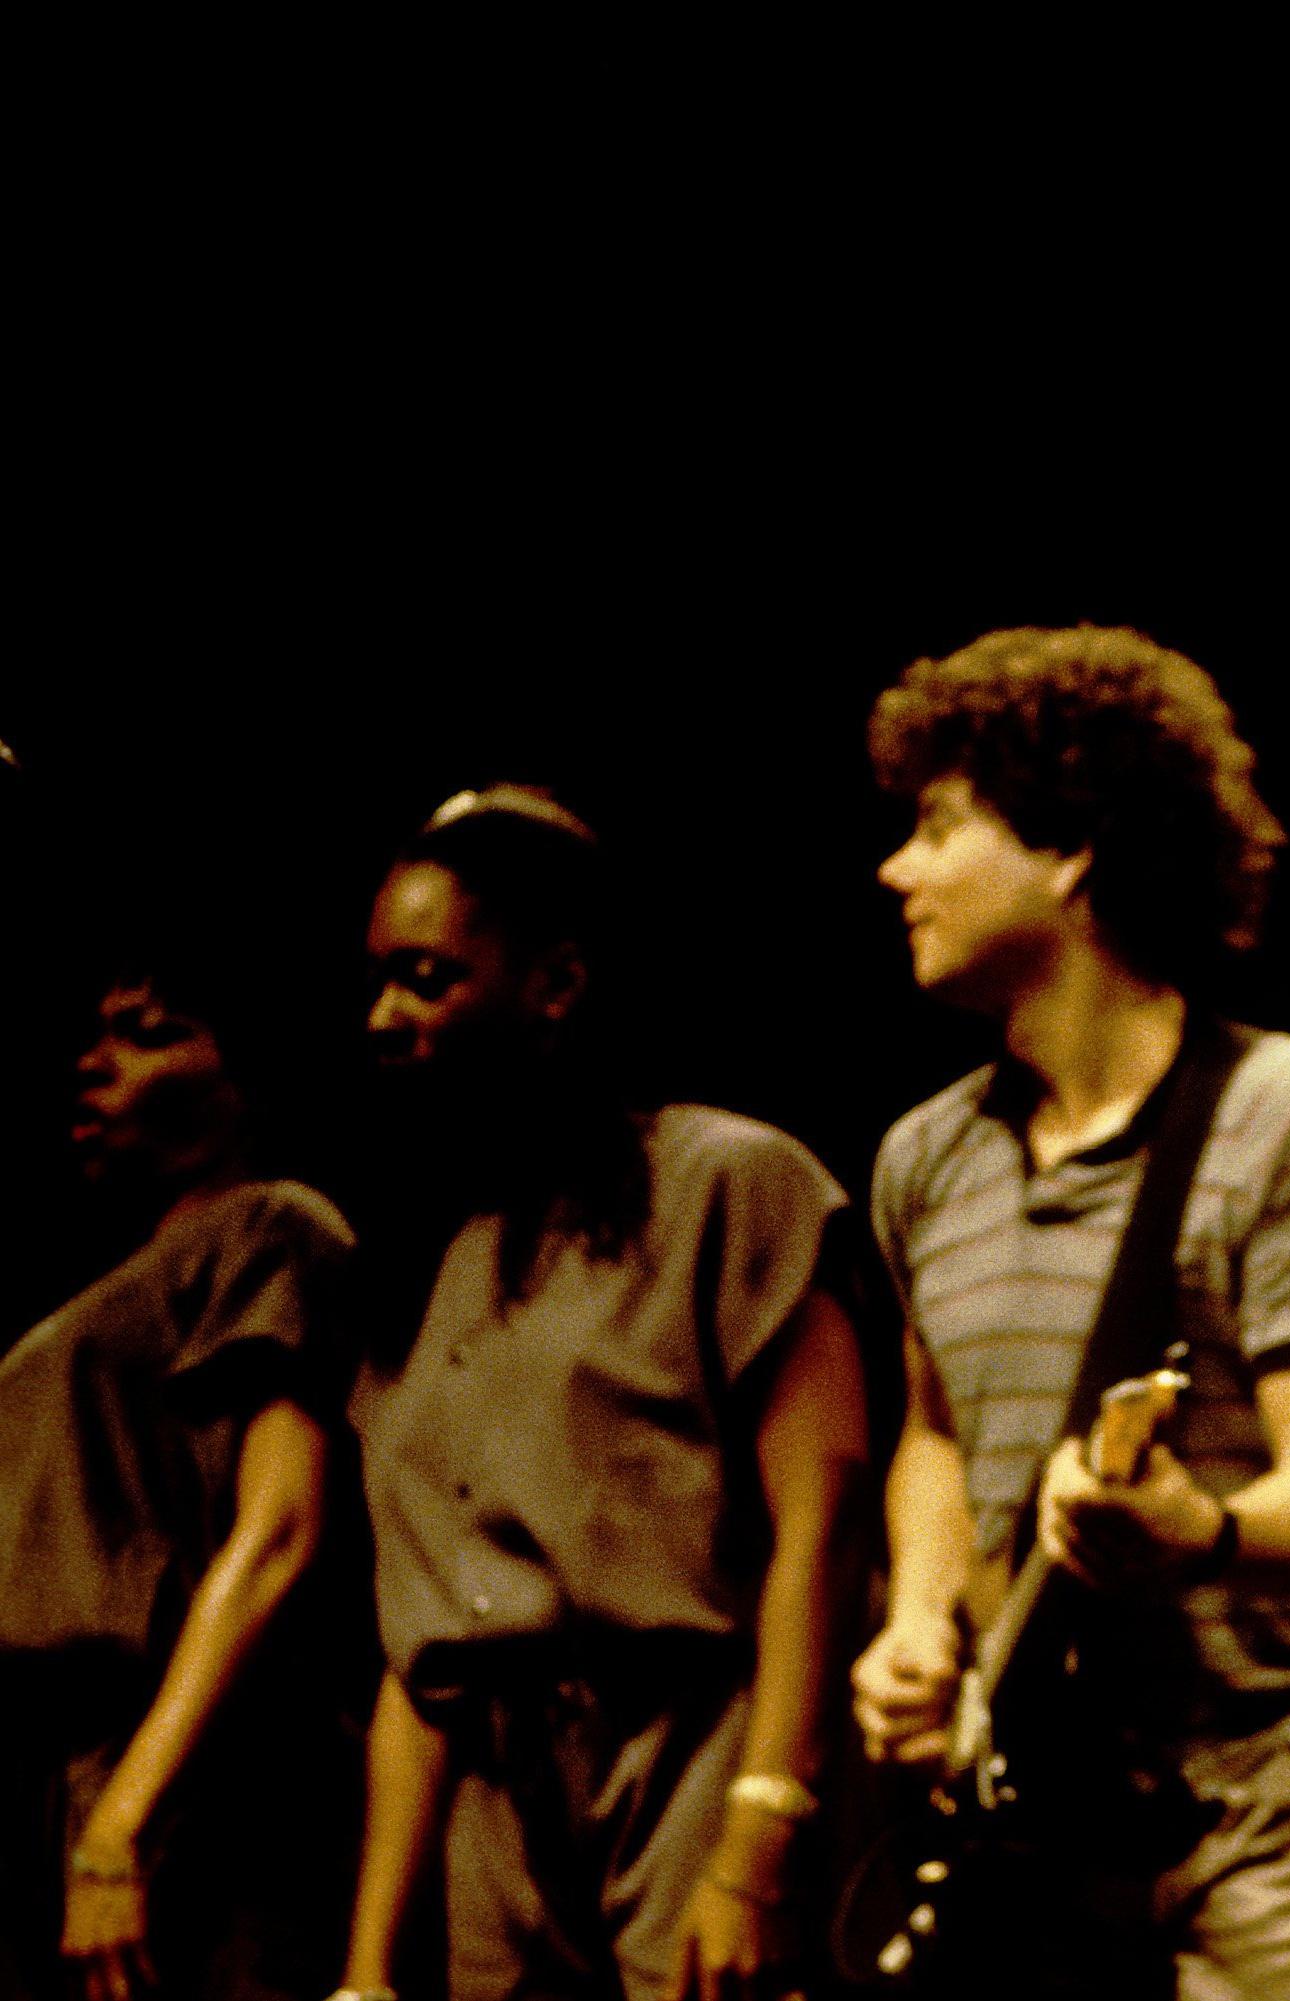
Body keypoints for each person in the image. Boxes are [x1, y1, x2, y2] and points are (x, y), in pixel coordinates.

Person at [849, 626, 1290, 2001]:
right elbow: (934, 1431)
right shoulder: (924, 1158)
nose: (899, 868)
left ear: (1069, 851)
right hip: (1059, 1803)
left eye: (939, 826)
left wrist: (1199, 1530)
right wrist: (918, 1625)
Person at [334, 787, 871, 2001]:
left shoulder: (726, 1185)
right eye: (377, 979)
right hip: (500, 1821)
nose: (384, 1015)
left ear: (554, 985)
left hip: (688, 1760)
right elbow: (421, 1667)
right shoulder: (430, 1266)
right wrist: (367, 1972)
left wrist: (759, 1830)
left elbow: (823, 1525)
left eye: (427, 977)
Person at [2, 947, 366, 2001]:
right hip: (55, 1779)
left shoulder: (271, 1225)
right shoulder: (114, 1286)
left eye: (146, 1034)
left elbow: (282, 1531)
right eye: (96, 1033)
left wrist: (122, 1822)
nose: (93, 1064)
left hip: (193, 1786)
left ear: (246, 1079)